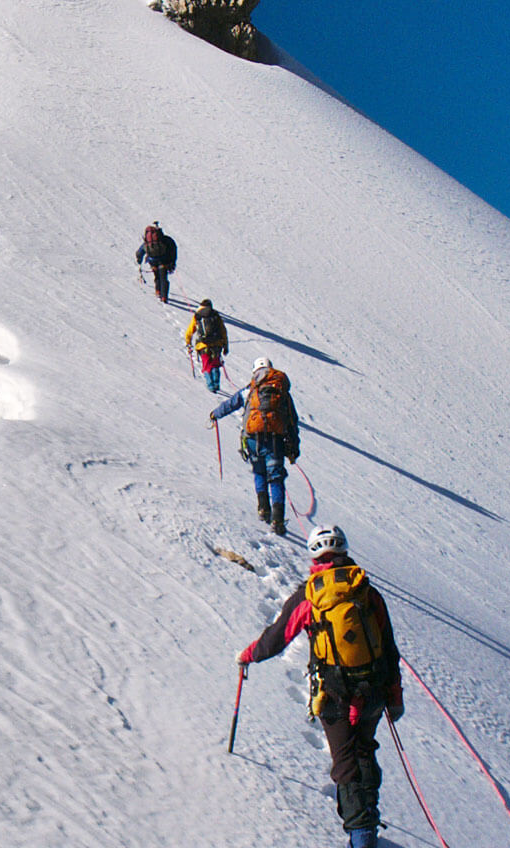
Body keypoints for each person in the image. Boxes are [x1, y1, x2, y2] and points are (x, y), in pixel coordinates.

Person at [235, 525, 402, 848]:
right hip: (374, 691)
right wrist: (394, 697)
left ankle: (361, 834)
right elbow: (389, 648)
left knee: (345, 763)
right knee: (365, 749)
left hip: (335, 696)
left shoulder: (311, 594)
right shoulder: (366, 591)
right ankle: (368, 816)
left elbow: (277, 637)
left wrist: (248, 655)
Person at [209, 357, 299, 534]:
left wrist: (215, 414)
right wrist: (294, 447)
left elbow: (231, 403)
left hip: (252, 439)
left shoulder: (250, 389)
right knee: (276, 478)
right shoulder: (282, 392)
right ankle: (278, 520)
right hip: (275, 440)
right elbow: (291, 421)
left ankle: (263, 509)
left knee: (259, 471)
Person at [183, 299, 229, 393]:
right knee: (215, 364)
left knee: (207, 365)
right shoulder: (215, 315)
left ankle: (210, 385)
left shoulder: (198, 316)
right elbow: (223, 331)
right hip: (217, 345)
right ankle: (216, 384)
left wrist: (188, 343)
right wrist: (225, 345)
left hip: (203, 345)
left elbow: (189, 332)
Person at [135, 221, 177, 302]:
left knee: (157, 276)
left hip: (152, 261)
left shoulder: (148, 242)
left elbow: (140, 252)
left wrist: (139, 260)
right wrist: (172, 262)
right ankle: (164, 296)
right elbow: (173, 248)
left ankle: (158, 291)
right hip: (164, 261)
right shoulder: (165, 240)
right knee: (163, 278)